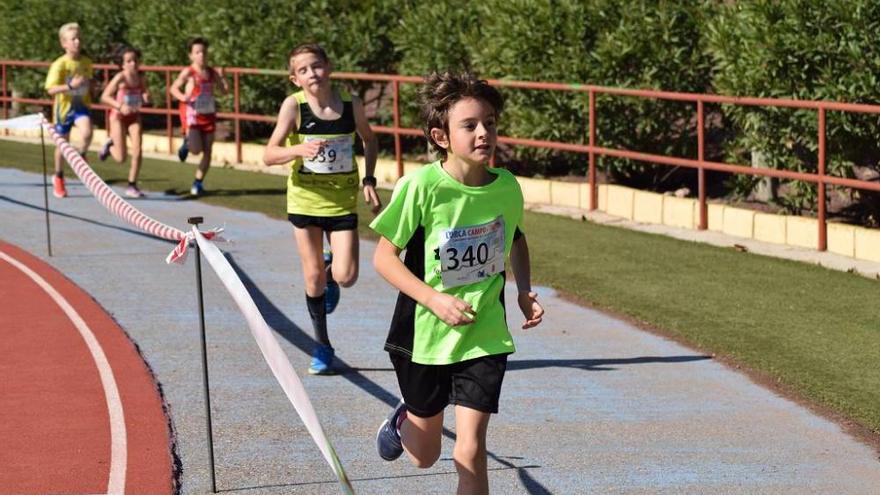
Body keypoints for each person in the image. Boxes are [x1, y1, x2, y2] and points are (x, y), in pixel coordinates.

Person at [370, 72, 544, 495]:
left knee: (470, 450)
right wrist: (434, 300)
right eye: (470, 125)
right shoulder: (422, 187)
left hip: (482, 333)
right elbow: (383, 258)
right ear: (441, 136)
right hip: (424, 335)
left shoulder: (506, 187)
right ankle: (403, 421)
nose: (484, 132)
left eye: (490, 122)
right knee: (424, 455)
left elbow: (516, 239)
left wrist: (522, 290)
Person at [262, 43, 382, 375]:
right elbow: (269, 154)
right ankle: (323, 345)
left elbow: (370, 140)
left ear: (328, 67)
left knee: (347, 277)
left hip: (342, 201)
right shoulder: (293, 107)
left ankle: (331, 269)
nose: (311, 74)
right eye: (303, 70)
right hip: (304, 200)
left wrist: (369, 180)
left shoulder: (351, 105)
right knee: (311, 277)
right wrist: (298, 148)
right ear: (294, 78)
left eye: (316, 66)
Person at [169, 37, 228, 196]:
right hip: (192, 114)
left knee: (208, 151)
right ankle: (187, 144)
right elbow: (173, 88)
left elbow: (224, 91)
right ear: (191, 55)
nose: (201, 55)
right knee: (196, 150)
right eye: (197, 52)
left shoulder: (211, 72)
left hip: (208, 113)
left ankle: (198, 182)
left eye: (203, 52)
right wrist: (183, 97)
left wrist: (222, 77)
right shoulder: (189, 72)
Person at [44, 22, 94, 199]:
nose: (77, 42)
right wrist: (69, 85)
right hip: (64, 109)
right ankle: (58, 176)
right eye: (73, 39)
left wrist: (89, 86)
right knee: (62, 146)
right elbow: (50, 89)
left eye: (79, 38)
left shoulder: (86, 62)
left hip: (80, 106)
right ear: (64, 43)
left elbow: (88, 81)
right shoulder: (59, 64)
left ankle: (81, 155)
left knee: (87, 132)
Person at [98, 46, 151, 198]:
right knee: (121, 158)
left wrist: (146, 96)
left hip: (134, 116)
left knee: (138, 149)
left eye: (135, 60)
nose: (133, 64)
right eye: (128, 61)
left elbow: (145, 91)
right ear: (122, 64)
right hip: (118, 117)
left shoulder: (141, 78)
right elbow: (105, 96)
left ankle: (132, 184)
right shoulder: (120, 78)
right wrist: (120, 106)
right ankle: (110, 145)